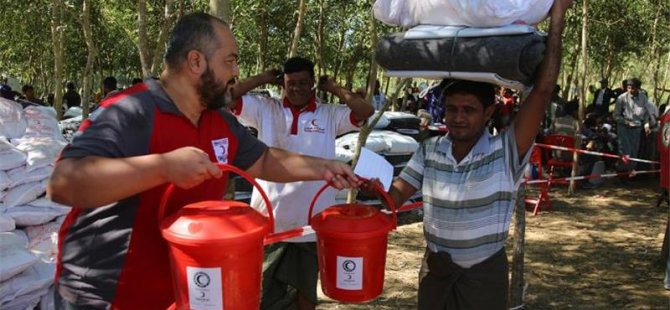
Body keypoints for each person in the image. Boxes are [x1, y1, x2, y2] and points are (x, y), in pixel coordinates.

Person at [47, 13, 359, 310]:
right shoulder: (132, 111)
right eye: (230, 60)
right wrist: (163, 167)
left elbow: (263, 160)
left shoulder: (218, 121)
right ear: (196, 61)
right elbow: (63, 183)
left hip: (182, 290)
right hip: (106, 295)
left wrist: (322, 167)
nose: (236, 72)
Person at [364, 1, 571, 308]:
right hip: (436, 273)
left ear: (488, 112)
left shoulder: (507, 150)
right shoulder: (429, 150)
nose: (458, 117)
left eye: (468, 110)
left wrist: (558, 18)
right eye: (451, 109)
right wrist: (371, 190)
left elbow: (542, 91)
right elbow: (395, 198)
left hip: (484, 278)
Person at [229, 57, 374, 310]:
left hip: (312, 224)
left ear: (312, 85)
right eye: (290, 83)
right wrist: (263, 77)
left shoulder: (329, 114)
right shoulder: (265, 108)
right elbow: (227, 98)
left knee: (306, 295)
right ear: (283, 84)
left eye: (303, 83)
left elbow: (365, 111)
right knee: (261, 292)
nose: (297, 88)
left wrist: (335, 88)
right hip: (269, 222)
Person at [613, 78, 657, 173]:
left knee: (634, 152)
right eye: (628, 88)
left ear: (638, 88)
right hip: (624, 128)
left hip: (636, 129)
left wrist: (646, 124)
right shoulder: (621, 98)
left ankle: (630, 174)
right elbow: (616, 115)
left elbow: (646, 114)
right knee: (625, 151)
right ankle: (621, 173)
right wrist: (626, 122)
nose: (630, 90)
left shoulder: (643, 98)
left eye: (633, 88)